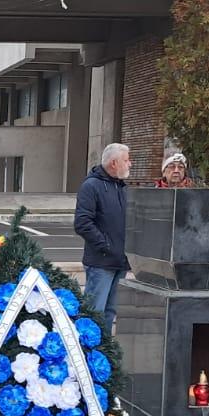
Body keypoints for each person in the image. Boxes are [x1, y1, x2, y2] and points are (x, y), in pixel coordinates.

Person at [75, 142, 131, 332]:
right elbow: (82, 223)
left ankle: (104, 349)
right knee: (94, 313)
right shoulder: (91, 186)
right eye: (126, 160)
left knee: (110, 312)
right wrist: (106, 246)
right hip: (101, 263)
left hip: (120, 262)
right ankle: (89, 348)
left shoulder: (121, 187)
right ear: (114, 163)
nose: (130, 164)